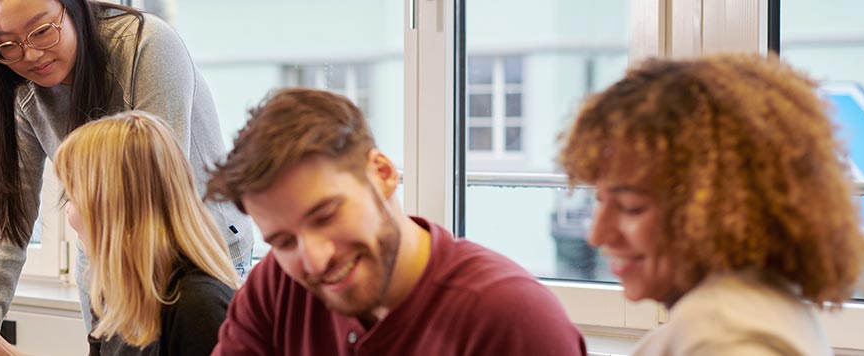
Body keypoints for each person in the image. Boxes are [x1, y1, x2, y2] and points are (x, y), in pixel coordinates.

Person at [0, 0, 252, 331]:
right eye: (8, 45)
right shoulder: (20, 90)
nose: (30, 55)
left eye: (42, 30)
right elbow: (10, 217)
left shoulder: (145, 46)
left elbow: (159, 191)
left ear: (72, 4)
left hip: (194, 252)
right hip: (105, 253)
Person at [204, 88, 587, 355]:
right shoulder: (275, 288)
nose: (316, 259)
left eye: (326, 216)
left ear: (383, 174)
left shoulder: (511, 318)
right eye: (284, 241)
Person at [558, 54, 864, 355]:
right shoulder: (755, 307)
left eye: (630, 206)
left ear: (722, 208)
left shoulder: (727, 336)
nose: (597, 235)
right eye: (599, 201)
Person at [0, 111, 239, 356]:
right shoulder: (118, 293)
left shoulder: (199, 305)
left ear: (110, 206)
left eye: (72, 197)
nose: (69, 214)